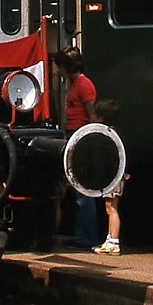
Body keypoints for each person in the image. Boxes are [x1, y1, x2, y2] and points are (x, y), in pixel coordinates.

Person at [52, 45, 99, 247]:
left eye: (60, 67)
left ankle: (86, 237)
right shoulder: (73, 84)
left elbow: (92, 115)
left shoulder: (83, 85)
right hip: (74, 136)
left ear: (66, 66)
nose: (58, 71)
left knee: (83, 190)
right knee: (77, 188)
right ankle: (82, 235)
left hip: (80, 136)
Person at [92, 98, 128, 256]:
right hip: (114, 175)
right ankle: (109, 240)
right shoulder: (114, 132)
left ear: (101, 117)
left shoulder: (108, 134)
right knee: (110, 207)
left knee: (111, 208)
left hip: (114, 176)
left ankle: (114, 242)